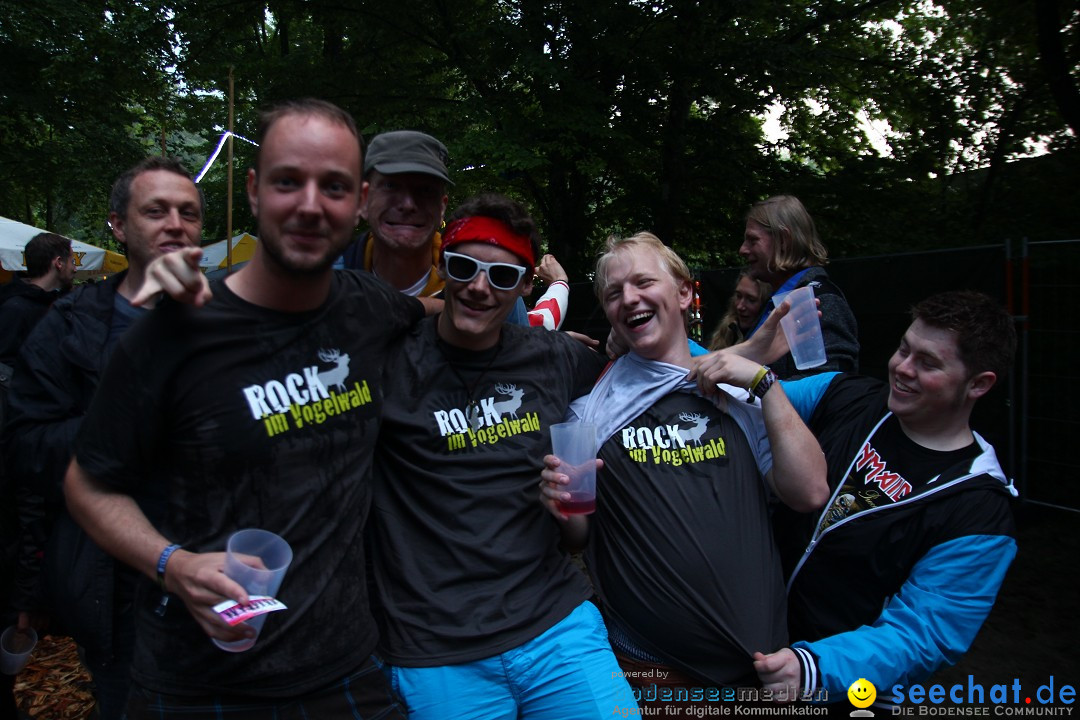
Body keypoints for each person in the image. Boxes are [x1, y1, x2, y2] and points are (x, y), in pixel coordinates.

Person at [61, 99, 417, 718]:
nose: (310, 204)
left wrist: (560, 335)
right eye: (288, 181)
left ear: (360, 201)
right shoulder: (172, 331)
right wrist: (172, 565)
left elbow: (442, 314)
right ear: (254, 190)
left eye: (332, 186)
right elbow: (87, 485)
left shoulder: (369, 306)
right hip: (198, 683)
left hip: (344, 669)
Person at [369, 193, 636, 719]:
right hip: (435, 651)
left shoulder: (553, 356)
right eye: (463, 267)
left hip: (556, 625)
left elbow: (651, 373)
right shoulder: (388, 361)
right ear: (442, 265)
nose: (478, 288)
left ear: (524, 284)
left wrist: (748, 366)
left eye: (501, 276)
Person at [540, 232, 828, 698]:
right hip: (651, 669)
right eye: (614, 293)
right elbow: (577, 536)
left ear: (684, 293)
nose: (628, 297)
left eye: (642, 282)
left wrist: (767, 384)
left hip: (762, 668)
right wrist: (561, 505)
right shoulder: (590, 412)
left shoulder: (738, 392)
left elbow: (810, 492)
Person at [2, 157, 204, 719]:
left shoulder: (229, 317)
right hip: (116, 588)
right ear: (118, 225)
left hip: (218, 573)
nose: (175, 224)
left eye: (188, 213)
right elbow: (24, 449)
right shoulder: (71, 325)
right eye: (156, 210)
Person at [751, 291, 1017, 706]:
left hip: (841, 693)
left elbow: (925, 632)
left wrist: (816, 667)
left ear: (978, 384)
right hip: (758, 646)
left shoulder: (978, 509)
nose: (902, 368)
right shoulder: (849, 395)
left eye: (927, 363)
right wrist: (647, 340)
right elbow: (747, 395)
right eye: (903, 349)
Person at [340, 129, 570, 328]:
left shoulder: (492, 285)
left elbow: (521, 349)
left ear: (442, 207)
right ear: (364, 200)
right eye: (390, 186)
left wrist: (563, 351)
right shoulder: (326, 279)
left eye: (424, 190)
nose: (407, 204)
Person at [739, 195, 858, 378]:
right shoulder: (777, 299)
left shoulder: (820, 301)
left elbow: (826, 387)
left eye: (752, 240)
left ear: (784, 240)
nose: (743, 250)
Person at [0, 232, 75, 367]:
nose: (75, 269)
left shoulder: (60, 306)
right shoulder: (14, 308)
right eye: (72, 261)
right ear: (59, 263)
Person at [706, 270, 772, 351]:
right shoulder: (726, 332)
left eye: (751, 300)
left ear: (766, 304)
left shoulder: (773, 346)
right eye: (738, 296)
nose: (740, 306)